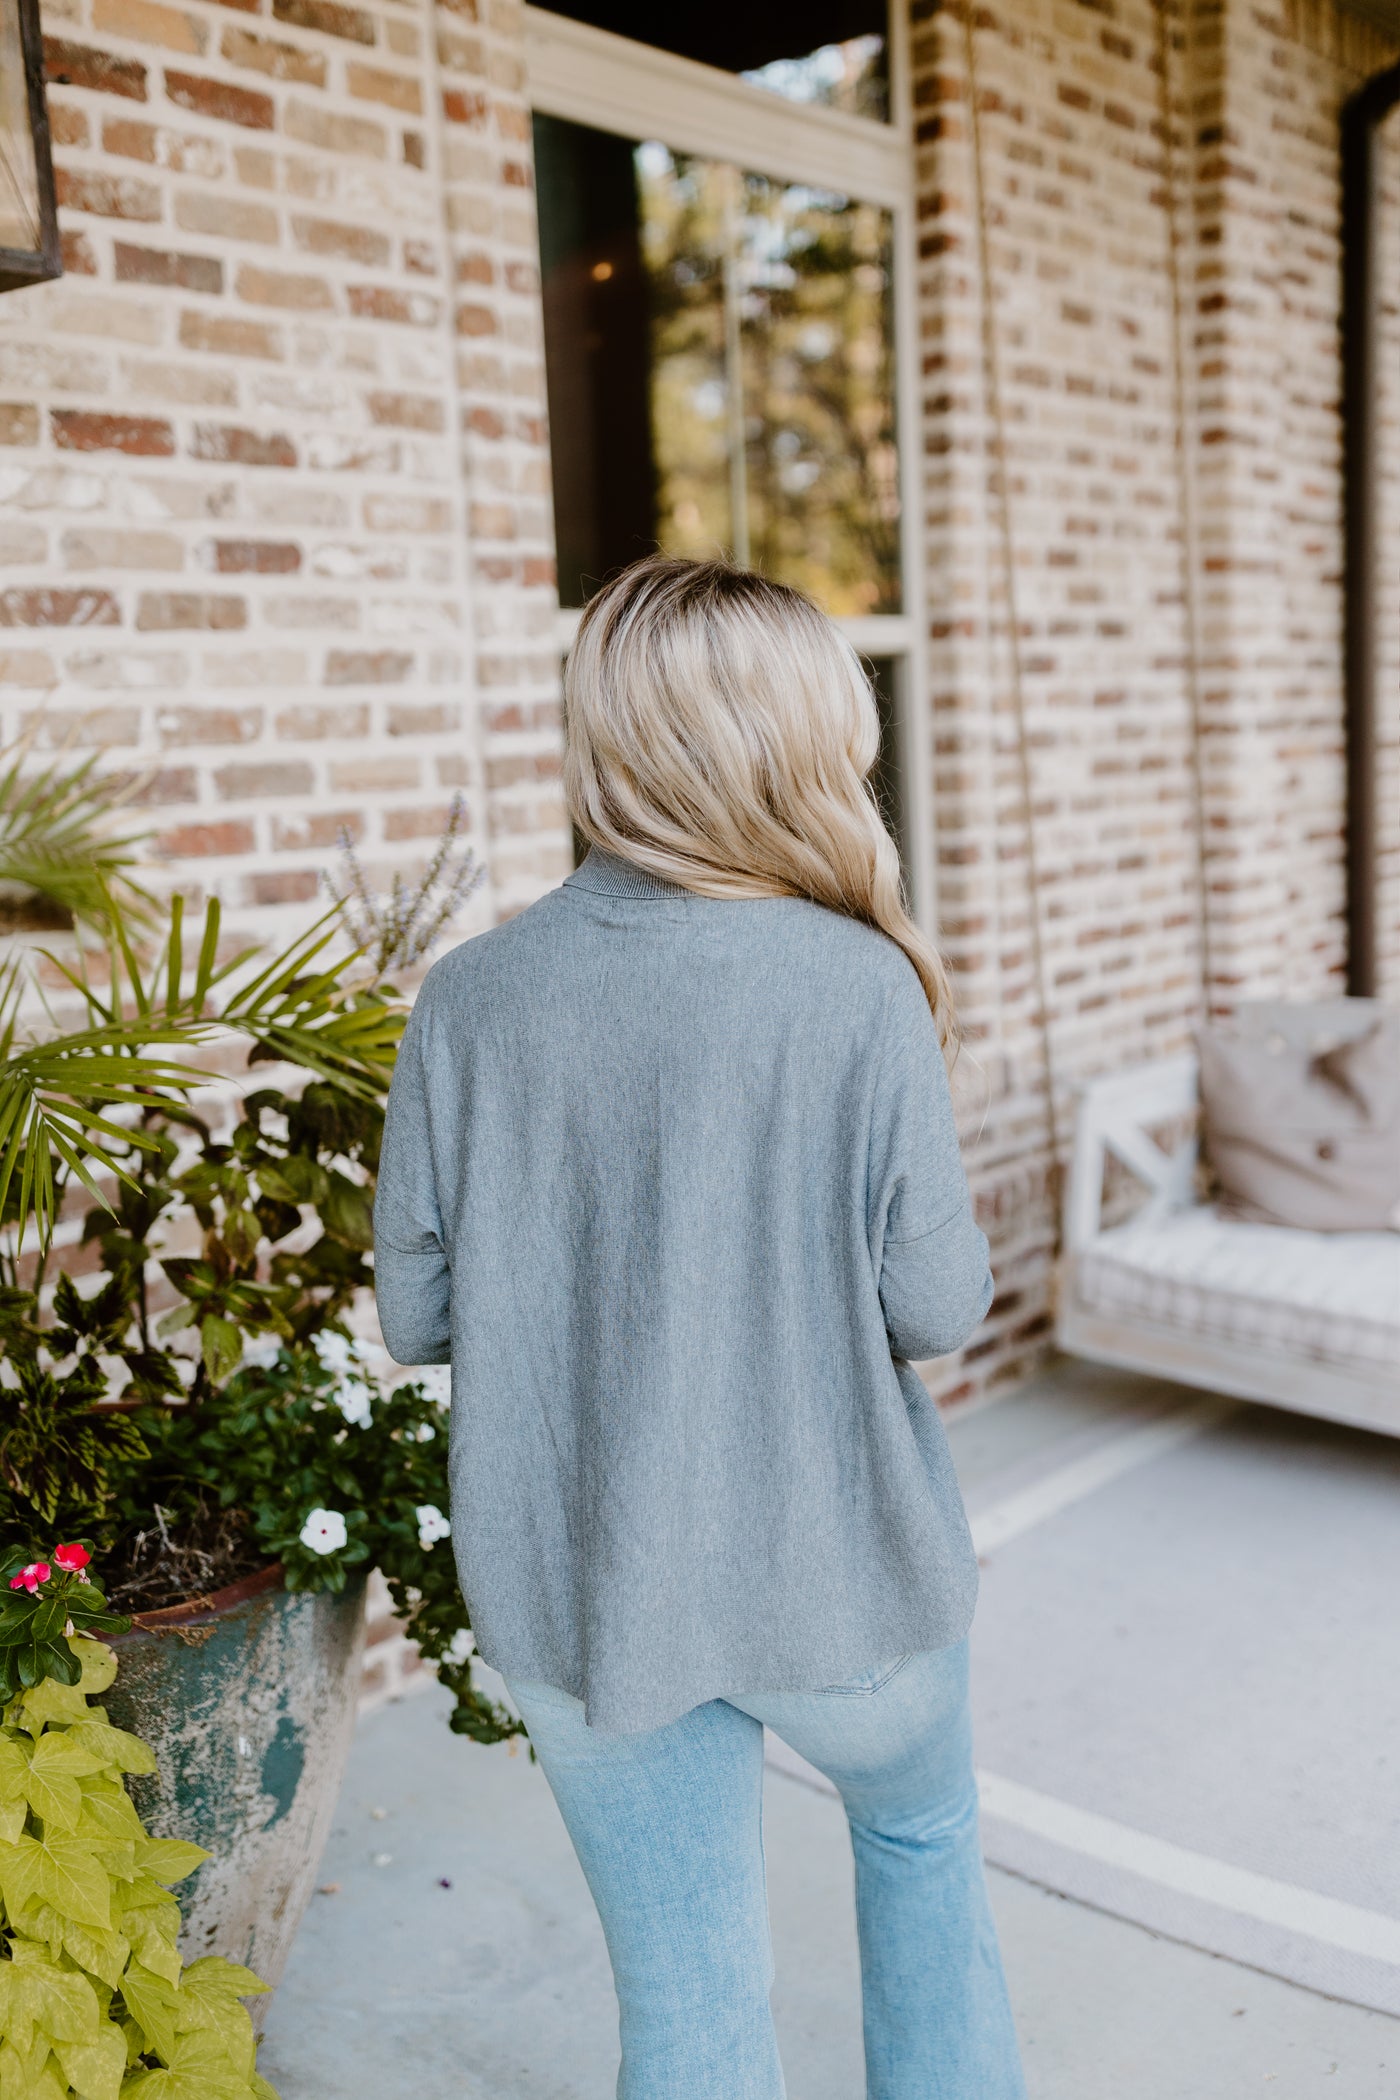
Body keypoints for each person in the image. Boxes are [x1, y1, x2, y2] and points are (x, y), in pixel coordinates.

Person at [374, 555, 1026, 2100]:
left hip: (588, 1592)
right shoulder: (858, 986)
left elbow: (416, 1316)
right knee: (922, 1850)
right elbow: (935, 1306)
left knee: (687, 2011)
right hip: (845, 1585)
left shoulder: (468, 999)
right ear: (799, 744)